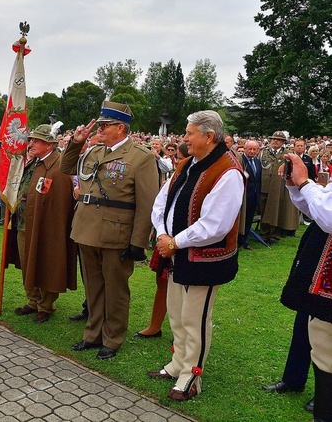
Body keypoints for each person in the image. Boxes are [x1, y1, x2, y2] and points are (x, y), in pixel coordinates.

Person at [148, 110, 244, 401]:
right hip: (177, 252)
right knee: (176, 313)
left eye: (190, 133)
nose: (184, 138)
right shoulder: (189, 163)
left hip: (205, 258)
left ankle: (192, 376)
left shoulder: (228, 171)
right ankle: (178, 363)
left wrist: (174, 242)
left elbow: (216, 225)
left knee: (195, 318)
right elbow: (162, 201)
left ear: (209, 136)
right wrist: (163, 235)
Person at [60, 101, 159, 360]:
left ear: (120, 128)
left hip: (116, 232)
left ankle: (112, 338)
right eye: (100, 126)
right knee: (93, 286)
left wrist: (139, 241)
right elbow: (66, 168)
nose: (99, 130)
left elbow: (147, 202)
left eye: (104, 126)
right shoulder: (93, 153)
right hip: (86, 228)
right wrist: (76, 142)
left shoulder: (142, 156)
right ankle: (92, 334)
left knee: (115, 288)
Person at [279, 152, 332, 421]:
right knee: (307, 320)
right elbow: (317, 207)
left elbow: (329, 215)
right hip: (319, 259)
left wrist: (304, 183)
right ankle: (295, 379)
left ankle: (325, 397)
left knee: (326, 340)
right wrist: (295, 185)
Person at [14, 124, 77, 323]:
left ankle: (46, 305)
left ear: (49, 145)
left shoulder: (59, 167)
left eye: (36, 141)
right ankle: (33, 300)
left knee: (47, 263)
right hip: (25, 223)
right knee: (28, 263)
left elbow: (60, 203)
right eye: (31, 140)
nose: (31, 144)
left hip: (46, 227)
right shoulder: (35, 162)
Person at [259, 131, 299, 244]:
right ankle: (264, 234)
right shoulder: (263, 152)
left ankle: (274, 235)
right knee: (264, 210)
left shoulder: (287, 155)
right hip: (264, 186)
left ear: (283, 142)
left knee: (276, 211)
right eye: (273, 139)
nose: (275, 141)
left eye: (278, 139)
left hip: (279, 188)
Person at [239, 140, 262, 250]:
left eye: (254, 149)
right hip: (243, 196)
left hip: (254, 196)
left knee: (249, 220)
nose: (252, 151)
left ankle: (245, 240)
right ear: (245, 149)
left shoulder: (257, 162)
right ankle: (240, 240)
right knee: (241, 219)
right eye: (250, 149)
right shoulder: (240, 161)